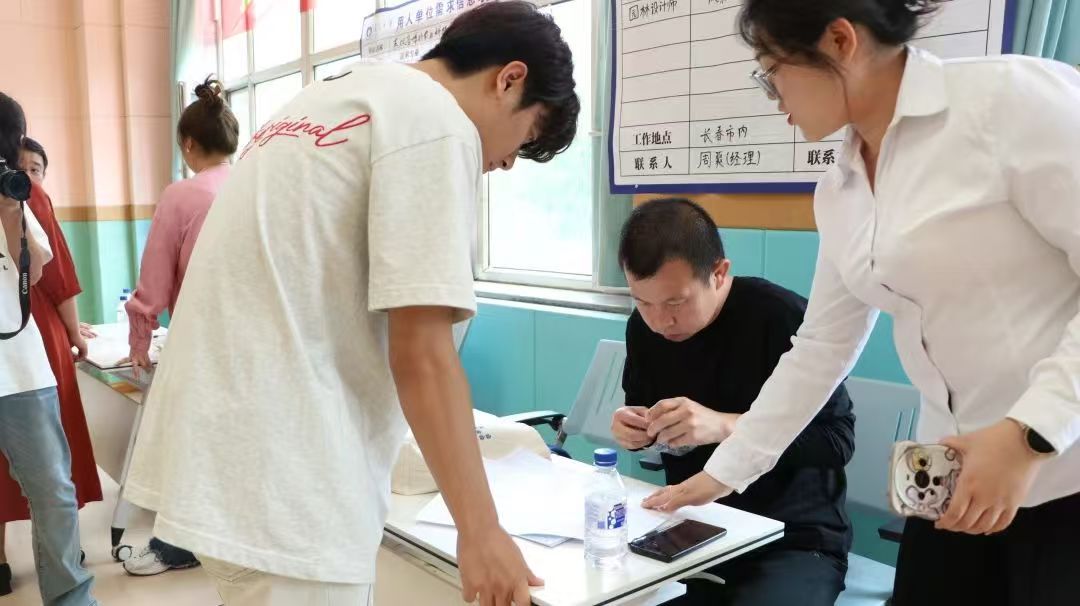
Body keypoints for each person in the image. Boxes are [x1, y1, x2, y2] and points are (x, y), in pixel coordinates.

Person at [121, 3, 579, 605]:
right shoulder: (437, 123)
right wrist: (482, 531)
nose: (510, 160)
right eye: (528, 136)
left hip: (222, 454)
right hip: (289, 481)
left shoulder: (333, 94)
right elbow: (422, 354)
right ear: (510, 80)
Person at [640, 1, 1080, 604]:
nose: (772, 95)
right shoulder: (841, 187)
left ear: (840, 41)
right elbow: (821, 348)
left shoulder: (1009, 102)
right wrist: (722, 473)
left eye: (772, 70)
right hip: (948, 477)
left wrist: (1029, 433)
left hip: (1062, 470)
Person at [614, 198, 854, 606]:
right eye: (642, 301)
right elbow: (644, 413)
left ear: (719, 273)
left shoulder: (781, 317)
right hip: (692, 527)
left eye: (675, 302)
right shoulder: (644, 328)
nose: (660, 321)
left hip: (792, 538)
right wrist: (636, 430)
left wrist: (726, 425)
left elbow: (838, 441)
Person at [118, 77, 239, 577]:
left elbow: (154, 284)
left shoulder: (182, 195)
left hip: (201, 343)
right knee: (237, 443)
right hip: (258, 341)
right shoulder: (254, 184)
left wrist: (139, 343)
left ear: (188, 144)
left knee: (185, 445)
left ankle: (176, 547)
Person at [0, 92, 97, 605]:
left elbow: (40, 270)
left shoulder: (18, 194)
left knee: (53, 488)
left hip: (19, 365)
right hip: (21, 365)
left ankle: (71, 597)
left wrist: (10, 209)